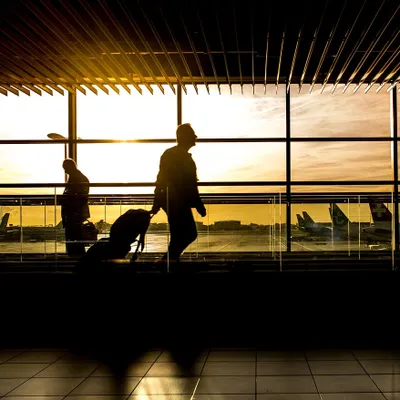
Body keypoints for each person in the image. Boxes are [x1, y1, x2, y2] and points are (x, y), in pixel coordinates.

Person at [151, 123, 206, 263]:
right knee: (188, 233)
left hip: (172, 201)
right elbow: (189, 184)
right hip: (177, 202)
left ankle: (169, 261)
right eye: (192, 134)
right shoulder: (181, 156)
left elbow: (161, 179)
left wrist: (157, 201)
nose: (196, 136)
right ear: (185, 137)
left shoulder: (171, 154)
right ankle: (168, 261)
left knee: (180, 234)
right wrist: (198, 204)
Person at [61, 158, 90, 256]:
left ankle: (75, 258)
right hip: (75, 213)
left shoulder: (77, 179)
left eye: (65, 168)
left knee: (73, 238)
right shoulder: (79, 178)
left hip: (73, 214)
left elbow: (80, 198)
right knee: (76, 239)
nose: (65, 171)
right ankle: (77, 258)